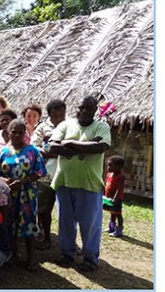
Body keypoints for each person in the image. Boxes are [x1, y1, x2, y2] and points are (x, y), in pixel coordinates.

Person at [49, 95, 111, 272]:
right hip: (64, 182)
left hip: (89, 183)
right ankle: (67, 253)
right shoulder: (65, 125)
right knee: (66, 221)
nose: (84, 111)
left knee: (90, 224)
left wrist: (69, 143)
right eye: (81, 107)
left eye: (88, 108)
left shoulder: (101, 126)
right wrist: (86, 146)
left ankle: (90, 258)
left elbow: (100, 147)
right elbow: (53, 147)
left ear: (95, 110)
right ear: (76, 108)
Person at [0, 119, 46, 272]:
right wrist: (6, 180)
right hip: (8, 193)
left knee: (29, 224)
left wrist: (22, 181)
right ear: (8, 133)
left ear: (25, 133)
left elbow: (40, 172)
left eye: (20, 132)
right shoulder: (2, 152)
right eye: (13, 132)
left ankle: (31, 258)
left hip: (27, 194)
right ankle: (13, 255)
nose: (17, 135)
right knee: (9, 223)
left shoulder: (33, 151)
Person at [30, 99, 66, 250]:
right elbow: (34, 147)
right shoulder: (42, 128)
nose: (58, 119)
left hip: (66, 175)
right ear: (49, 114)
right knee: (44, 209)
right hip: (46, 176)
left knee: (67, 211)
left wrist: (55, 150)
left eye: (61, 116)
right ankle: (46, 237)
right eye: (55, 116)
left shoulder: (71, 126)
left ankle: (68, 241)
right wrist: (50, 152)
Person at [103, 155, 126, 238]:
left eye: (111, 165)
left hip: (116, 199)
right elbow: (106, 184)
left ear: (118, 166)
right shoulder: (109, 174)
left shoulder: (121, 176)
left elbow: (119, 188)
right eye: (108, 165)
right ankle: (111, 228)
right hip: (108, 198)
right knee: (112, 213)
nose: (108, 167)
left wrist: (115, 198)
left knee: (118, 214)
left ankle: (119, 230)